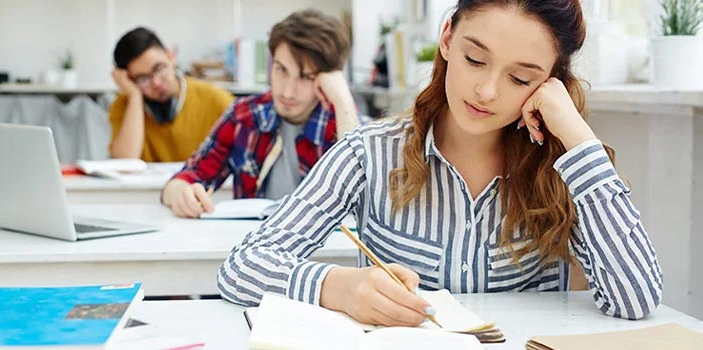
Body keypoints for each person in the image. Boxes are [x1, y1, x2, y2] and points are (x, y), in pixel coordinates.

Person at [217, 0, 663, 326]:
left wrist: (577, 136)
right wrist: (340, 287)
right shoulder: (368, 152)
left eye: (520, 78)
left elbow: (637, 299)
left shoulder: (561, 167)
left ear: (551, 83)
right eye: (474, 58)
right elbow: (243, 266)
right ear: (447, 39)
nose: (487, 90)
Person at [162, 9, 359, 218]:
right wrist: (182, 194)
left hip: (324, 250)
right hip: (251, 246)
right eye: (281, 70)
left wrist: (343, 100)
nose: (287, 92)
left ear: (329, 78)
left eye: (306, 77)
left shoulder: (342, 120)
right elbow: (182, 180)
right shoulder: (245, 115)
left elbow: (363, 202)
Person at [109, 27, 234, 162]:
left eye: (159, 68)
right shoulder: (124, 105)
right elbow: (124, 163)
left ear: (171, 56)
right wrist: (135, 97)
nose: (156, 83)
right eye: (142, 79)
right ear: (129, 79)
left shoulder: (216, 99)